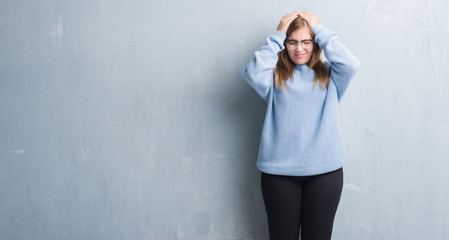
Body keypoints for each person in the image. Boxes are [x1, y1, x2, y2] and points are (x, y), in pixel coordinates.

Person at [242, 11, 360, 240]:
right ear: (284, 44)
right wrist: (277, 35)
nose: (299, 49)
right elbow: (252, 72)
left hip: (325, 175)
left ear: (315, 43)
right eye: (292, 42)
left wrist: (321, 31)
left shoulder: (331, 74)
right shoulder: (274, 76)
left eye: (306, 41)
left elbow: (351, 64)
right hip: (278, 175)